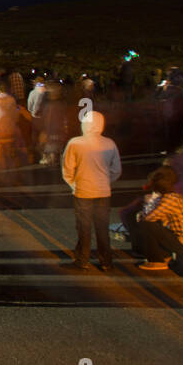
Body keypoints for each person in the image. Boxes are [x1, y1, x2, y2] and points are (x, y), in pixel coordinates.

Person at [62, 110, 121, 271]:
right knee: (102, 227)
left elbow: (67, 169)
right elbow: (116, 170)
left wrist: (74, 185)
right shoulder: (109, 143)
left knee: (84, 227)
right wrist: (105, 181)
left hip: (83, 191)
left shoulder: (75, 143)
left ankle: (83, 260)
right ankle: (106, 261)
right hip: (103, 191)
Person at [136, 165, 183, 273]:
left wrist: (145, 206)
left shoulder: (169, 199)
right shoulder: (174, 196)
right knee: (154, 224)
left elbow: (148, 218)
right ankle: (164, 256)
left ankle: (157, 261)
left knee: (147, 225)